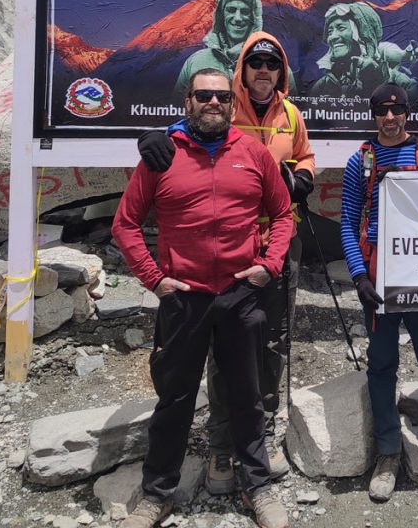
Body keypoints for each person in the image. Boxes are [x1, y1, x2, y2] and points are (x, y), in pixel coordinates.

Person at [114, 68, 292, 528]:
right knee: (174, 399)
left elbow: (283, 213)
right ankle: (158, 494)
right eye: (203, 95)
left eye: (220, 96)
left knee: (248, 396)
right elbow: (126, 224)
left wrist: (269, 265)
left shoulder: (252, 152)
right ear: (187, 102)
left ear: (231, 105)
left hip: (240, 294)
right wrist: (154, 279)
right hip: (184, 297)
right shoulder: (161, 156)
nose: (213, 102)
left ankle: (257, 486)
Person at [139, 33, 315, 494]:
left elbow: (305, 157)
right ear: (242, 68)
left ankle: (261, 434)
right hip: (222, 259)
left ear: (281, 71)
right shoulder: (225, 103)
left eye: (271, 63)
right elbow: (195, 130)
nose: (263, 70)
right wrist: (154, 138)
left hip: (270, 251)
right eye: (254, 62)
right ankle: (221, 446)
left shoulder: (291, 114)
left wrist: (302, 179)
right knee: (222, 359)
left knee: (271, 343)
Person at [340, 82, 418, 502]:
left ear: (408, 113)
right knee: (381, 367)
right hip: (378, 277)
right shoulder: (359, 160)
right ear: (373, 114)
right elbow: (346, 222)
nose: (390, 118)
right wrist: (359, 276)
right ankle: (388, 453)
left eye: (397, 111)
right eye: (382, 111)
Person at [311, 2, 418, 97]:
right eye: (330, 32)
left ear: (362, 34)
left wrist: (376, 80)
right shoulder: (322, 87)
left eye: (341, 28)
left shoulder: (401, 83)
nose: (332, 37)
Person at [175, 0, 263, 96]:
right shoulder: (195, 62)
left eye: (245, 11)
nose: (237, 18)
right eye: (231, 10)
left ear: (254, 18)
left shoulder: (272, 67)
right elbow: (176, 107)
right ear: (221, 15)